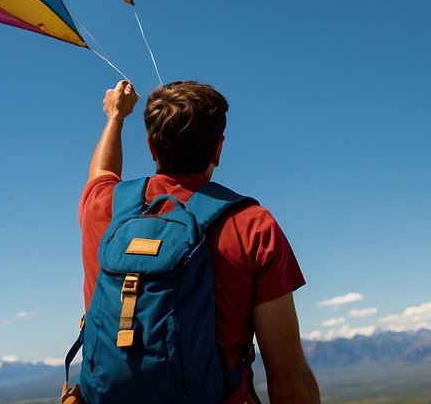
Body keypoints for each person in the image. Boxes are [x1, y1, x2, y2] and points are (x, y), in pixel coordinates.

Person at [79, 79, 321, 404]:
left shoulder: (103, 207)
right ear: (218, 149)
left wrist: (116, 117)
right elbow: (290, 382)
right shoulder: (253, 225)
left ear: (151, 147)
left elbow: (102, 171)